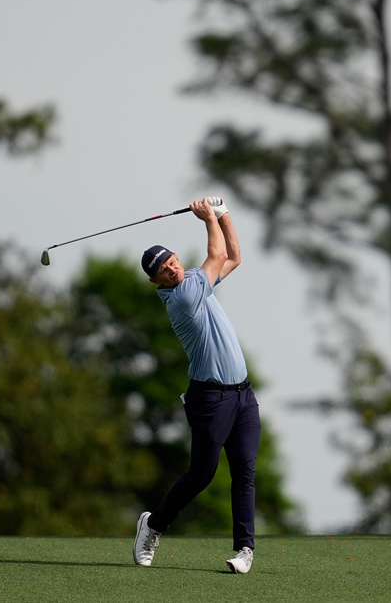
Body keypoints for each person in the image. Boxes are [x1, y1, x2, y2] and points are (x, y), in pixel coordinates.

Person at [133, 196, 260, 575]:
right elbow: (217, 254)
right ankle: (153, 525)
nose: (171, 268)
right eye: (163, 270)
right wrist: (208, 218)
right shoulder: (182, 297)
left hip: (243, 395)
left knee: (245, 472)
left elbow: (234, 256)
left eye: (171, 260)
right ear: (156, 281)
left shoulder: (193, 279)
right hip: (211, 399)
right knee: (201, 475)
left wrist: (224, 214)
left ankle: (244, 550)